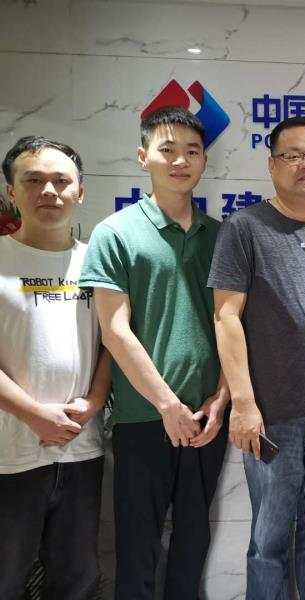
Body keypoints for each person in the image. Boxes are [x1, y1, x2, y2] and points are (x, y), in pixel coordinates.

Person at [79, 106, 229, 599]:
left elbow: (234, 327)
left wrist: (222, 399)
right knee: (138, 548)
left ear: (204, 159)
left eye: (192, 151)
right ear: (143, 157)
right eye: (168, 150)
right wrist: (167, 405)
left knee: (193, 541)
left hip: (207, 421)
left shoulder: (221, 236)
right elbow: (114, 330)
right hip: (143, 418)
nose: (180, 161)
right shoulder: (116, 233)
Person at [209, 116, 305, 600]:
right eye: (292, 155)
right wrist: (244, 405)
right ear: (272, 165)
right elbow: (226, 318)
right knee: (269, 541)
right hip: (271, 419)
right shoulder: (244, 228)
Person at [0, 136, 110, 600]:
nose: (49, 190)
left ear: (80, 191)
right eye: (34, 180)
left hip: (81, 449)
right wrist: (32, 414)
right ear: (11, 192)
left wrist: (94, 402)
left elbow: (112, 344)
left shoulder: (98, 262)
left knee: (76, 579)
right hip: (10, 454)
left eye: (61, 181)